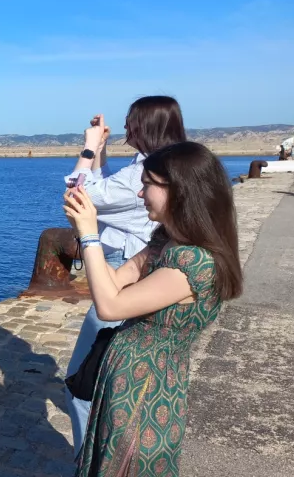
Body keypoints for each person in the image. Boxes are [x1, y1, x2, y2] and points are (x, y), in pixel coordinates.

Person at [63, 141, 244, 476]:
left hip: (145, 390)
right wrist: (84, 230)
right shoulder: (166, 240)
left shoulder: (194, 261)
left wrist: (89, 236)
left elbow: (109, 306)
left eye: (147, 185)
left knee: (128, 464)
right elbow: (114, 281)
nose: (139, 193)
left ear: (179, 190)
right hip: (126, 378)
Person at [62, 96, 187, 454]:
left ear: (146, 125)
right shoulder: (158, 165)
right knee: (106, 378)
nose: (126, 127)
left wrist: (88, 148)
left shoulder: (142, 172)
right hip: (133, 264)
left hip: (126, 265)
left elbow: (78, 194)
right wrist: (101, 152)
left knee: (84, 382)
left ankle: (89, 463)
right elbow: (104, 190)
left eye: (132, 121)